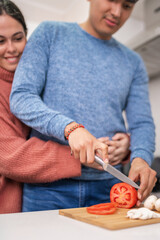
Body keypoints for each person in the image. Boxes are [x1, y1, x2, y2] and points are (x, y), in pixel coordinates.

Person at [10, 0, 157, 212]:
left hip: (110, 187)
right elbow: (22, 97)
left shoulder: (133, 62)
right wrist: (71, 128)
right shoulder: (50, 33)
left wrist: (141, 158)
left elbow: (142, 122)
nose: (116, 12)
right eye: (112, 0)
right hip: (48, 189)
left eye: (127, 5)